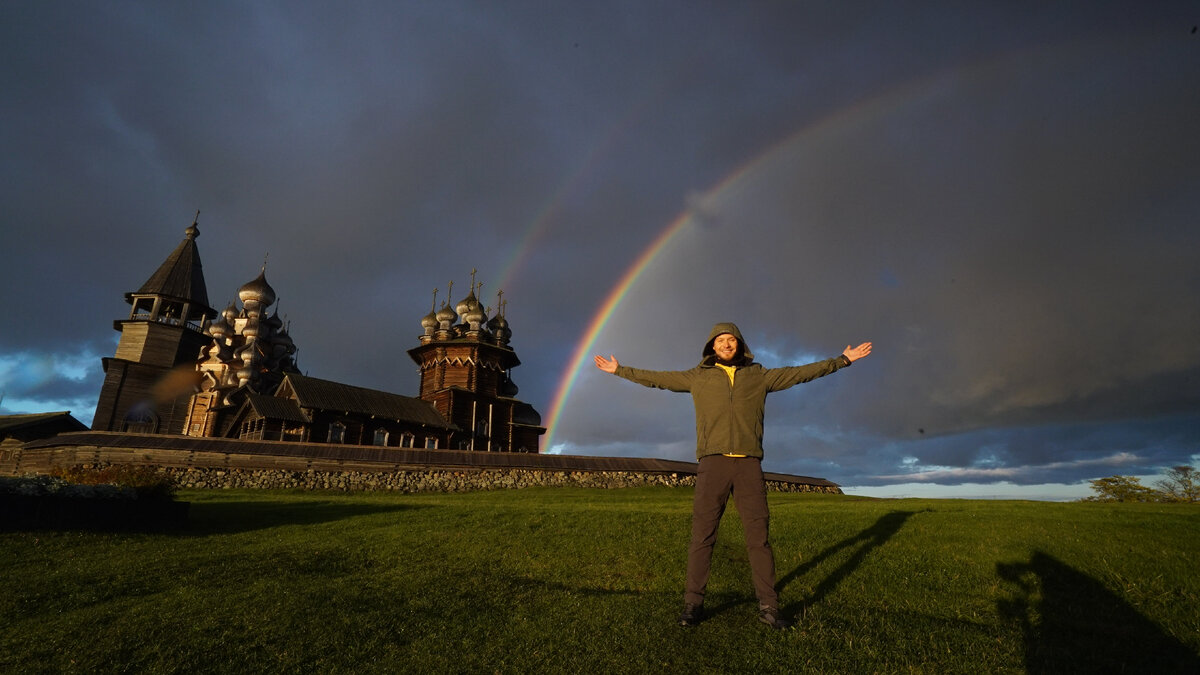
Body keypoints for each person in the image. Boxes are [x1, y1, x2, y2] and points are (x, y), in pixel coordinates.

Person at [594, 322, 872, 629]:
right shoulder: (697, 377)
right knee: (702, 537)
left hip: (749, 464)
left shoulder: (759, 376)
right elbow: (658, 379)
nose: (727, 344)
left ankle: (769, 606)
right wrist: (620, 370)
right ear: (712, 346)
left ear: (739, 345)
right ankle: (693, 604)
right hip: (712, 464)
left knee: (759, 539)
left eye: (732, 340)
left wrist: (842, 360)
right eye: (721, 340)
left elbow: (799, 373)